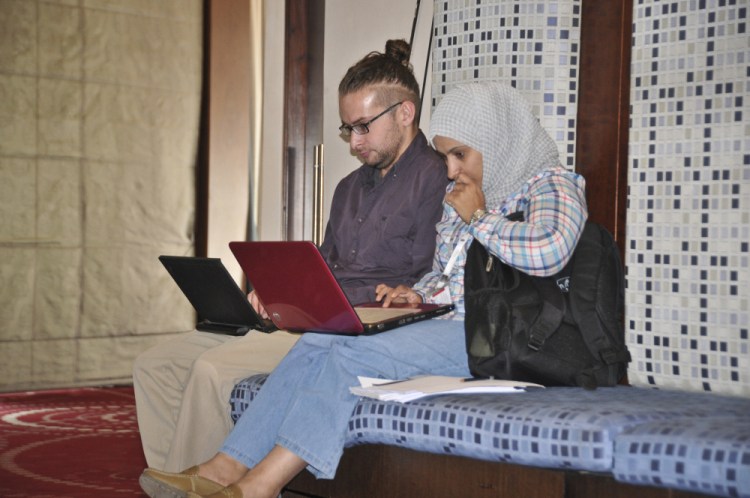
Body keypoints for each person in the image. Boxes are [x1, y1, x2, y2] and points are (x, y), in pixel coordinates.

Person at [138, 81, 588, 498]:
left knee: (352, 357)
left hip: (498, 337)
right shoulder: (469, 191)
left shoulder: (551, 184)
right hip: (450, 324)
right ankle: (223, 468)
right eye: (445, 156)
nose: (450, 170)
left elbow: (552, 251)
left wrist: (480, 218)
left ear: (496, 144)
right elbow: (448, 273)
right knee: (319, 341)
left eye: (460, 155)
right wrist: (421, 295)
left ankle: (257, 488)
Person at [133, 38, 448, 473]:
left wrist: (404, 293)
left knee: (210, 370)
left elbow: (434, 275)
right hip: (307, 316)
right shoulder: (349, 189)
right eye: (347, 129)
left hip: (349, 331)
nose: (353, 142)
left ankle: (210, 486)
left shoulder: (436, 178)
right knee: (156, 365)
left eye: (362, 126)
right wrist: (277, 291)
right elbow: (326, 263)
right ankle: (176, 478)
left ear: (405, 113)